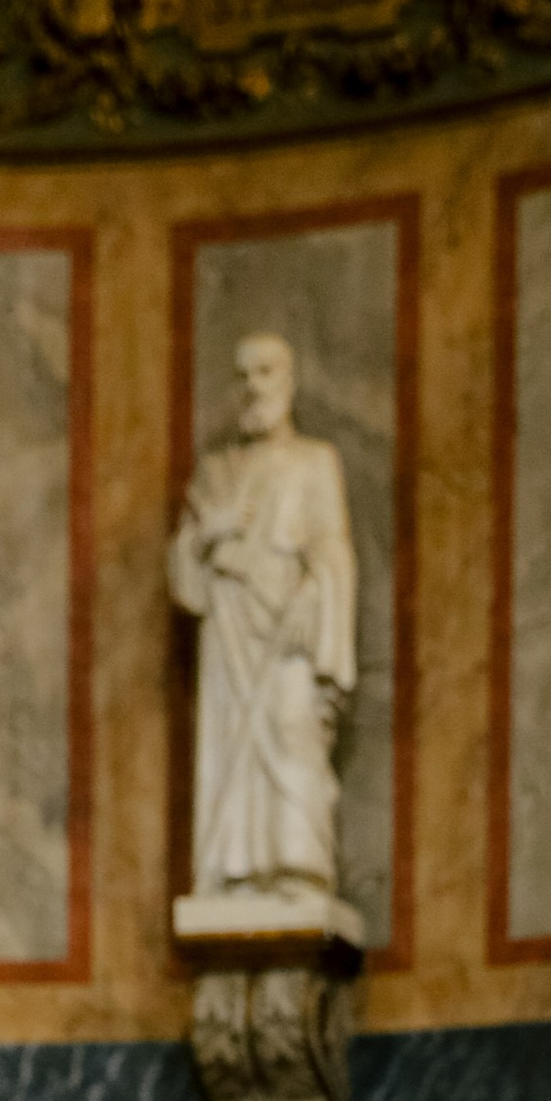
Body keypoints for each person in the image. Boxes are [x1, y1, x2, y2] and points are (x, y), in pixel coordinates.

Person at [168, 333, 356, 912]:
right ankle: (235, 869)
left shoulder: (314, 462)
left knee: (289, 725)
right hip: (228, 635)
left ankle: (298, 865)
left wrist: (315, 597)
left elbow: (332, 548)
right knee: (231, 741)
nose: (253, 387)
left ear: (289, 381)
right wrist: (209, 532)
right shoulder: (215, 473)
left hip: (286, 629)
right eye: (243, 375)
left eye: (266, 373)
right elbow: (184, 576)